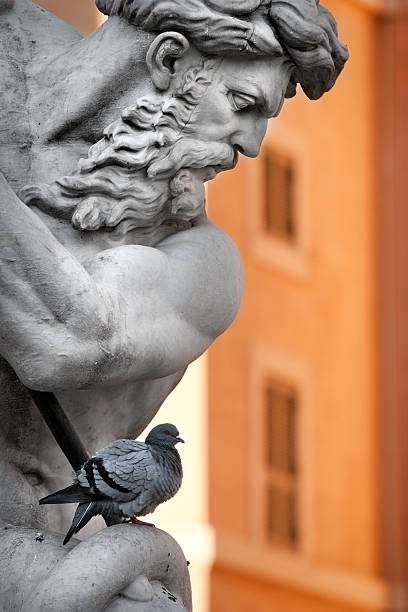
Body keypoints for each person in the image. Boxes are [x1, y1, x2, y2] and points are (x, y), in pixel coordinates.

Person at [0, 0, 348, 609]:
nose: (254, 147)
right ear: (168, 59)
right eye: (244, 106)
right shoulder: (12, 41)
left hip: (26, 559)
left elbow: (70, 338)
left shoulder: (206, 266)